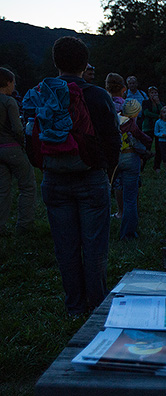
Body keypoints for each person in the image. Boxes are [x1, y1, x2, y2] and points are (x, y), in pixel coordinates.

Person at [35, 36, 121, 316]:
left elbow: (31, 140)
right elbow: (113, 140)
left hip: (54, 178)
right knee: (95, 248)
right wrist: (107, 176)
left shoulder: (41, 92)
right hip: (91, 176)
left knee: (65, 248)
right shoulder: (97, 95)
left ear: (55, 62)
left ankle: (74, 308)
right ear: (85, 65)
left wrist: (46, 167)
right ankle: (95, 307)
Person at [0, 67, 35, 236]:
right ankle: (24, 225)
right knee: (27, 186)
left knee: (3, 189)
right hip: (12, 148)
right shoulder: (9, 101)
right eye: (13, 82)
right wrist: (24, 144)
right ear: (7, 83)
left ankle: (1, 226)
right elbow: (17, 128)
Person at [116, 98, 151, 239]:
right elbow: (144, 139)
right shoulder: (131, 124)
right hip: (130, 157)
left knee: (106, 194)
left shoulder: (114, 119)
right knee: (130, 198)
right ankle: (128, 233)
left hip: (115, 158)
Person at [141, 86, 163, 171]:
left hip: (158, 128)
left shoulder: (160, 103)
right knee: (146, 147)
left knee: (159, 147)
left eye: (155, 92)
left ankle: (157, 166)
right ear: (149, 94)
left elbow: (164, 111)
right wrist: (158, 116)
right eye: (152, 93)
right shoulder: (145, 102)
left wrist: (158, 104)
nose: (154, 94)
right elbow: (146, 113)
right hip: (148, 127)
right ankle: (142, 166)